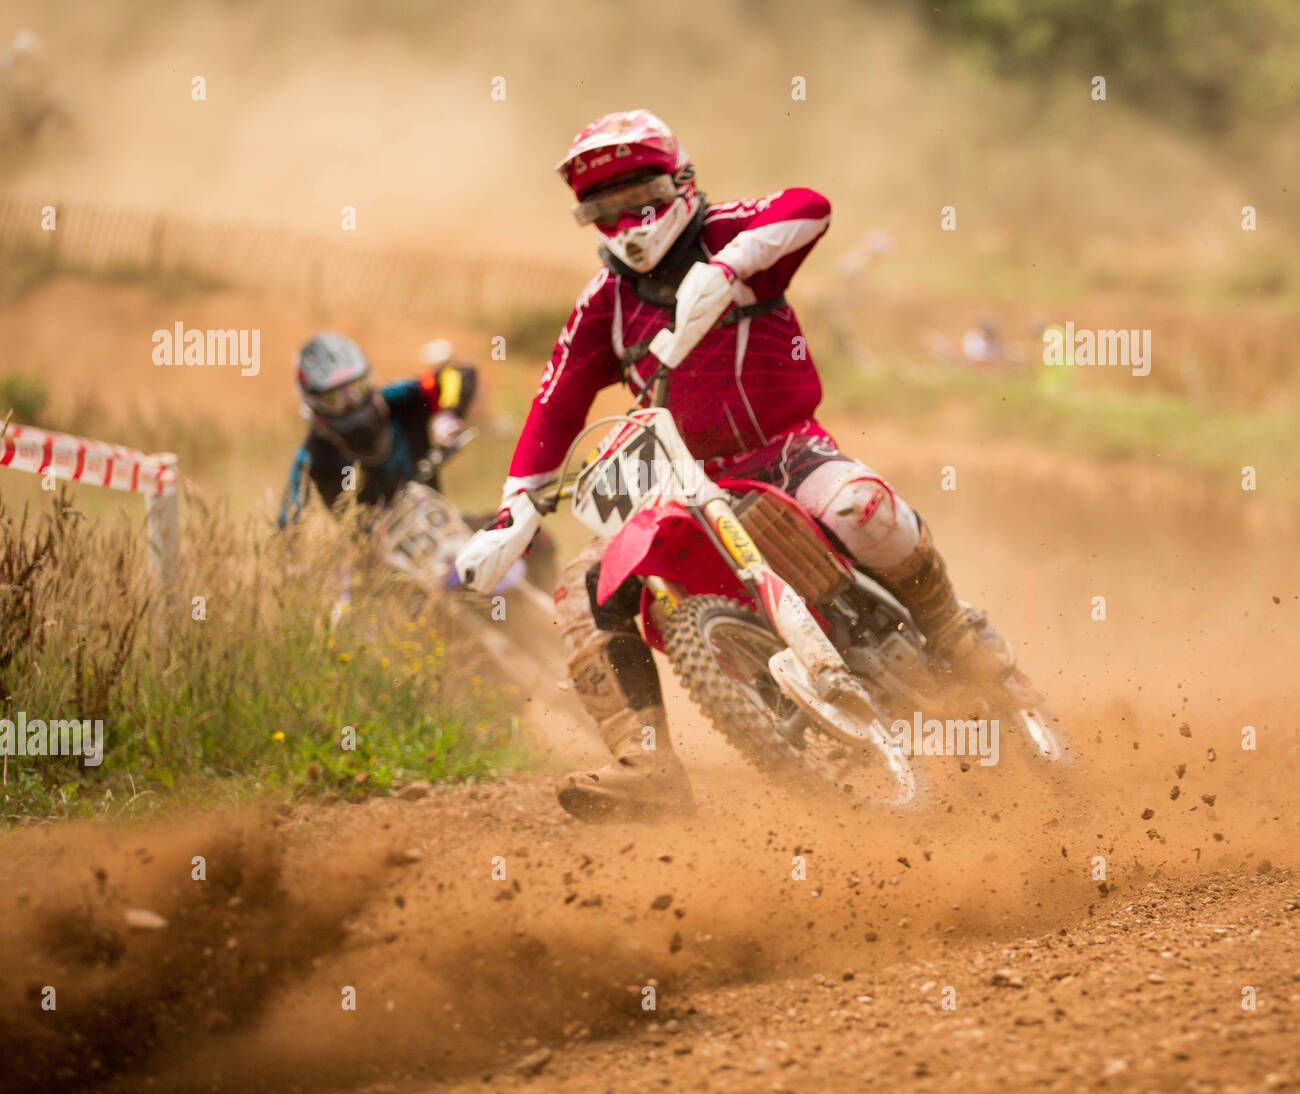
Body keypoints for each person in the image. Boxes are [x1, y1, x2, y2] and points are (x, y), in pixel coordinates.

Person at [456, 110, 1015, 821]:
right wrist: (513, 517)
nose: (629, 222)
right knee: (580, 590)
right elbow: (554, 404)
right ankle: (646, 762)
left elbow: (809, 206)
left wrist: (726, 270)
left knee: (858, 507)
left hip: (787, 452)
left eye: (644, 200)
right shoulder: (605, 304)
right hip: (687, 483)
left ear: (682, 183)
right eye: (606, 210)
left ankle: (953, 631)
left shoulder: (731, 234)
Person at [278, 333, 477, 527]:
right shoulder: (314, 454)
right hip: (376, 555)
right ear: (314, 401)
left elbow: (458, 374)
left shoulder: (399, 400)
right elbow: (287, 523)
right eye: (334, 399)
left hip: (443, 528)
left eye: (357, 387)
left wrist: (448, 414)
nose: (351, 402)